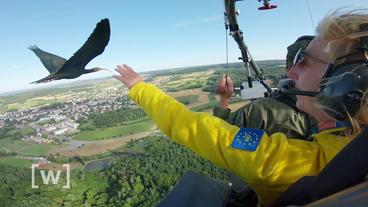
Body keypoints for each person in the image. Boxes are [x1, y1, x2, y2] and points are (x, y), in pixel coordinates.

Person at [113, 9, 368, 207]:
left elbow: (206, 131)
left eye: (304, 62)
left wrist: (139, 87)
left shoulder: (287, 162)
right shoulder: (350, 145)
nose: (291, 71)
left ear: (346, 83)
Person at [213, 35, 315, 140]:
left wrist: (224, 99)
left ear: (289, 70)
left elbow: (219, 133)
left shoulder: (262, 111)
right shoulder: (328, 110)